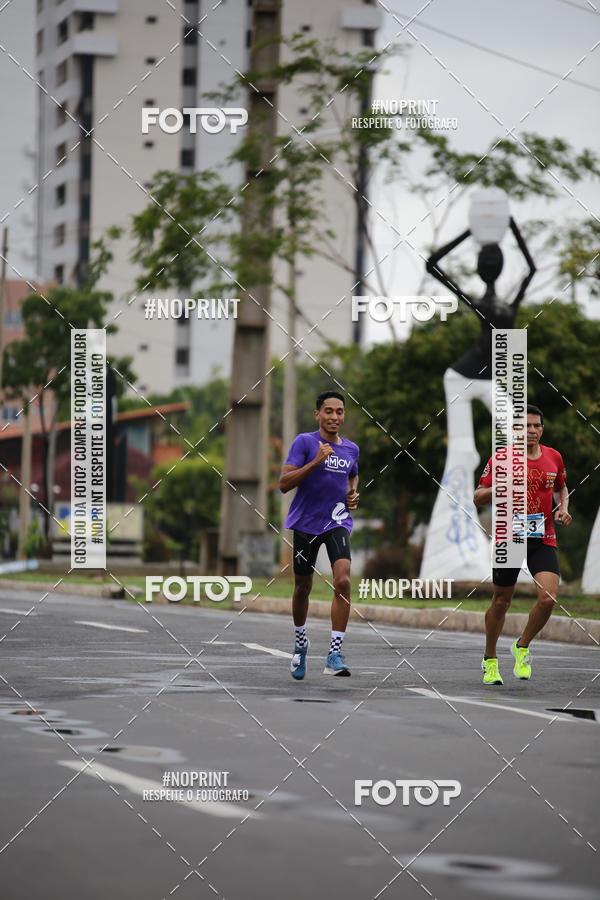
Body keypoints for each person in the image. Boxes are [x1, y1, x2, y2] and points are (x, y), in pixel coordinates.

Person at [474, 405, 571, 684]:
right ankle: (490, 659)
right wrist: (498, 487)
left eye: (536, 426)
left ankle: (522, 646)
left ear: (542, 429)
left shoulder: (554, 457)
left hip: (543, 536)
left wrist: (563, 508)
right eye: (525, 426)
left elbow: (560, 487)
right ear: (514, 430)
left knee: (548, 599)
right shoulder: (501, 459)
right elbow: (477, 497)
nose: (531, 431)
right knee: (501, 601)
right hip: (510, 538)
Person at [279, 391, 359, 679]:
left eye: (339, 412)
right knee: (303, 587)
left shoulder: (351, 449)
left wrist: (352, 494)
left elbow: (352, 474)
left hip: (337, 521)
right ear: (318, 415)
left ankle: (334, 655)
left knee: (343, 580)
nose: (334, 417)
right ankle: (301, 642)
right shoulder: (304, 442)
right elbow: (284, 484)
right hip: (306, 523)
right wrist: (314, 462)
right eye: (328, 411)